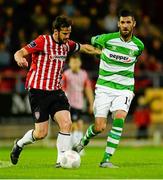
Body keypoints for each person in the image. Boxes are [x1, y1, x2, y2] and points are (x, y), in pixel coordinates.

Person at [10, 15, 101, 168]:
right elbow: (20, 52)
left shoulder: (67, 45)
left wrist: (101, 52)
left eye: (69, 33)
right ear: (56, 31)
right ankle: (19, 144)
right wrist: (20, 58)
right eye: (64, 33)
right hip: (38, 91)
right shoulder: (42, 41)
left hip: (56, 91)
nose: (67, 36)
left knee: (66, 123)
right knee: (41, 133)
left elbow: (84, 47)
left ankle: (61, 160)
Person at [73, 9, 144, 168]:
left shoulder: (139, 45)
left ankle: (106, 159)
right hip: (104, 88)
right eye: (123, 22)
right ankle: (83, 141)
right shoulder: (106, 39)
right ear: (118, 23)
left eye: (128, 22)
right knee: (100, 127)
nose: (125, 25)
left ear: (133, 24)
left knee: (119, 117)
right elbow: (91, 42)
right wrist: (99, 52)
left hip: (124, 89)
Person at [62, 53, 94, 150]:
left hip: (79, 104)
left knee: (80, 125)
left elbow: (88, 89)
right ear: (70, 63)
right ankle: (76, 148)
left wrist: (91, 104)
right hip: (69, 104)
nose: (75, 64)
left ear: (80, 63)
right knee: (74, 125)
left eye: (77, 62)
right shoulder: (66, 75)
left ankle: (75, 147)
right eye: (73, 62)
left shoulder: (84, 74)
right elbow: (62, 89)